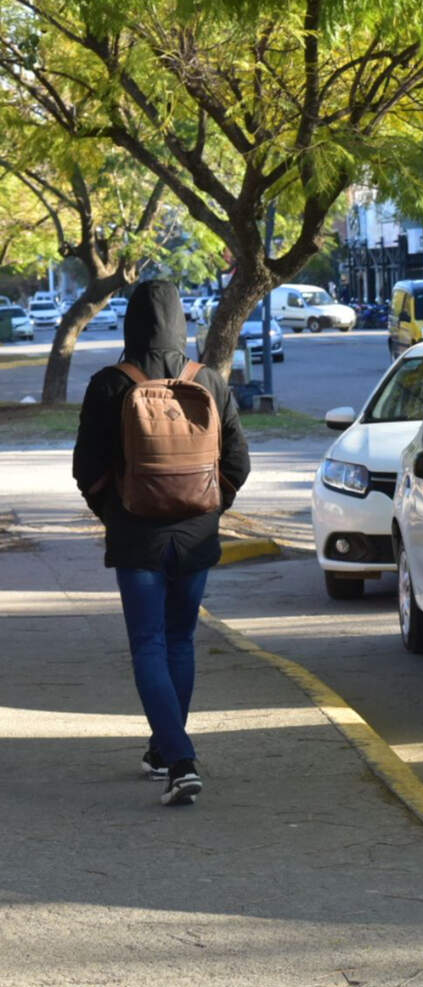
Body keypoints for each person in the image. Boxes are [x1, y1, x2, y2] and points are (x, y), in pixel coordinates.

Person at [72, 280, 250, 807]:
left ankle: (179, 760)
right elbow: (238, 463)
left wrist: (114, 512)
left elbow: (86, 469)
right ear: (181, 322)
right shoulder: (209, 380)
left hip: (136, 535)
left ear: (131, 324)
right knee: (179, 641)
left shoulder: (111, 384)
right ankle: (163, 749)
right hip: (196, 535)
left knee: (148, 643)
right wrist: (208, 509)